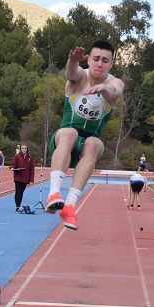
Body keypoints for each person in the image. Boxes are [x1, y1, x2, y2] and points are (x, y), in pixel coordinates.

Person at [45, 41, 125, 230]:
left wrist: (104, 89)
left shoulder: (114, 82)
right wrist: (72, 61)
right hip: (62, 141)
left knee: (95, 144)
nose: (99, 64)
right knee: (70, 133)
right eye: (96, 59)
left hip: (88, 145)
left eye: (105, 60)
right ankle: (54, 193)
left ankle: (70, 206)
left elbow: (116, 90)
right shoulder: (81, 76)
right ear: (89, 59)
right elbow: (71, 74)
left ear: (111, 64)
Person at [11, 143, 35, 211]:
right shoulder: (17, 156)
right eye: (22, 148)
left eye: (25, 148)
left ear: (27, 149)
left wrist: (31, 179)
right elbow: (13, 164)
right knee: (17, 192)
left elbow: (32, 169)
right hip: (18, 177)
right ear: (20, 149)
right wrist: (12, 167)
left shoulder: (30, 157)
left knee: (21, 192)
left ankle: (19, 205)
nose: (24, 149)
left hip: (25, 177)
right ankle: (17, 206)